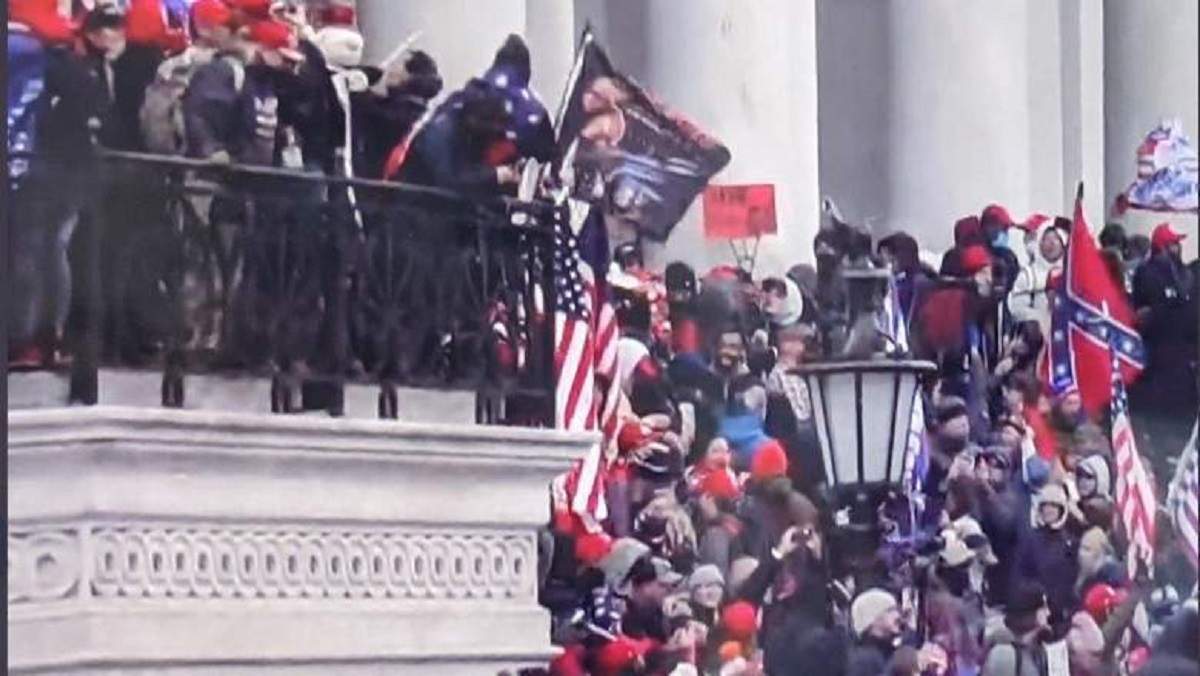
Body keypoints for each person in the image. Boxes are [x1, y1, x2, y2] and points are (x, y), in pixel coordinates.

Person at [8, 0, 105, 369]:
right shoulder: (67, 58)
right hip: (56, 168)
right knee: (46, 252)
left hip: (47, 170)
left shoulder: (47, 57)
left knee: (35, 252)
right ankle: (44, 338)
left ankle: (30, 339)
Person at [1014, 483, 1079, 628]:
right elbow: (1019, 578)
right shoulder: (1030, 540)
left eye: (1053, 506)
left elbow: (1073, 580)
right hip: (1035, 613)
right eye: (1045, 505)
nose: (1049, 510)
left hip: (1063, 617)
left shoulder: (1071, 543)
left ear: (1061, 509)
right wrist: (1038, 593)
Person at [981, 580, 1055, 676]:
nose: (1048, 613)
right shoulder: (1004, 654)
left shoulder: (1039, 650)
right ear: (1030, 614)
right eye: (1043, 608)